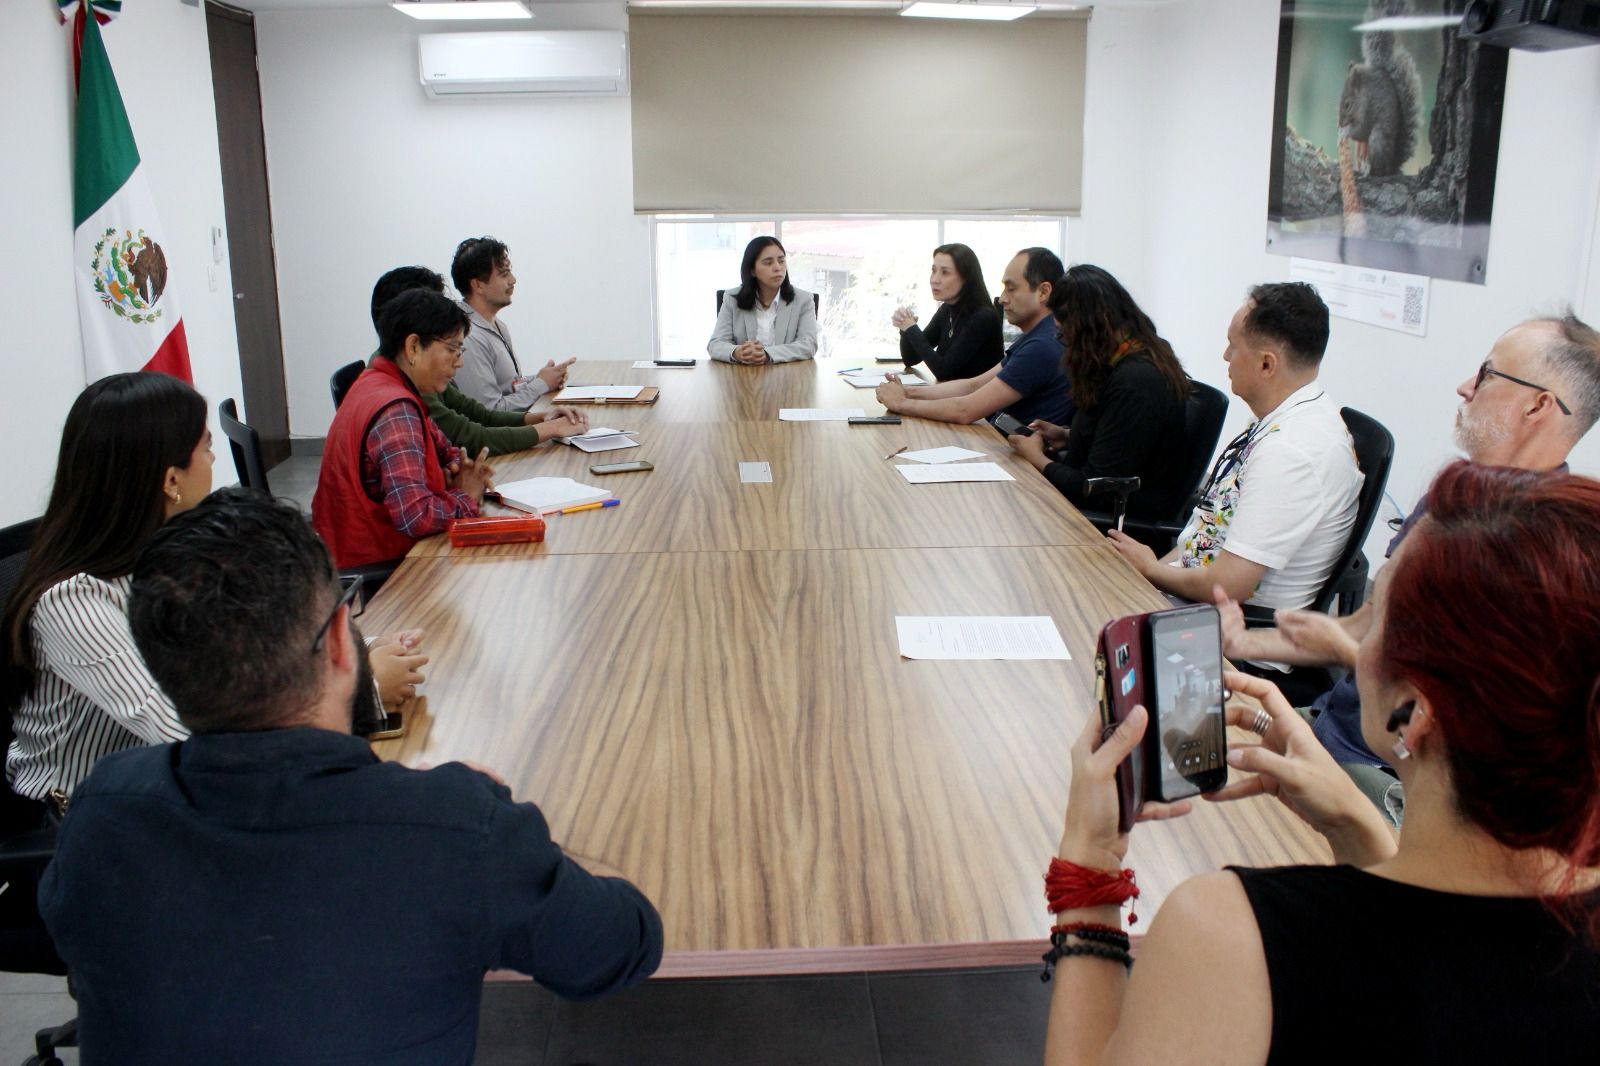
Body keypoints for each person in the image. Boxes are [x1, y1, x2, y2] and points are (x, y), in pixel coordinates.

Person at [40, 489, 663, 1062]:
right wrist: (501, 828)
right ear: (344, 643)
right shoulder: (455, 831)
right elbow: (625, 944)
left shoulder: (101, 810)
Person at [1042, 461, 1600, 1066]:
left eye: (1375, 617)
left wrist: (1091, 867)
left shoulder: (1232, 938)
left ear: (1413, 713)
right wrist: (1356, 827)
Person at [1218, 313, 1600, 817]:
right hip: (1330, 728)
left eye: (1487, 374)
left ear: (1538, 405)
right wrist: (1244, 643)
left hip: (1387, 775)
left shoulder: (1544, 554)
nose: (1466, 386)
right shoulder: (1451, 497)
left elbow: (1454, 718)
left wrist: (1351, 654)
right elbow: (1366, 625)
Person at [2, 375, 428, 811]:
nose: (213, 459)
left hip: (160, 786)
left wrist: (355, 650)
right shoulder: (72, 604)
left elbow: (250, 645)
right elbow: (189, 730)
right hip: (86, 814)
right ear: (171, 480)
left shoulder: (168, 553)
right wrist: (364, 687)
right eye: (206, 448)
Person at [1106, 283, 1361, 610]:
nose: (1225, 356)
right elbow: (1206, 531)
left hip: (1226, 627)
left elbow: (1228, 586)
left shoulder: (1291, 451)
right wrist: (1148, 573)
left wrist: (1150, 569)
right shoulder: (1285, 418)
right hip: (1190, 599)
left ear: (1266, 364)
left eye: (1233, 346)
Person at [312, 289, 493, 570]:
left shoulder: (378, 381)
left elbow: (443, 449)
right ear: (413, 347)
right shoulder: (396, 410)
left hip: (353, 551)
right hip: (382, 569)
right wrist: (466, 496)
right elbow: (415, 517)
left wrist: (458, 467)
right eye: (452, 349)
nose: (459, 361)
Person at [1002, 265, 1192, 519]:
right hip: (1090, 503)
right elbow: (1123, 441)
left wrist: (1036, 458)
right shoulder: (1126, 357)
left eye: (1065, 335)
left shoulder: (1135, 382)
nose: (1066, 345)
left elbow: (1094, 488)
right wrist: (1067, 435)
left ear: (1089, 330)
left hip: (1109, 520)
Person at [368, 266, 588, 454]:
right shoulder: (397, 400)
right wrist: (551, 428)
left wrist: (542, 419)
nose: (459, 361)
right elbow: (468, 437)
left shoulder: (414, 371)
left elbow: (476, 414)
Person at [876, 248, 1072, 428]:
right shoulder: (1036, 336)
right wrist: (907, 392)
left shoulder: (1042, 346)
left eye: (1011, 289)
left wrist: (901, 403)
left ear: (1043, 292)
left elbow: (965, 410)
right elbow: (974, 385)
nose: (1003, 299)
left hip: (1013, 451)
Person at [450, 236, 574, 412]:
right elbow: (489, 411)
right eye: (504, 274)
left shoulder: (497, 325)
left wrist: (541, 378)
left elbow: (507, 387)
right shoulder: (469, 336)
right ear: (478, 285)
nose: (513, 280)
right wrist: (541, 385)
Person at [893, 243, 1003, 381]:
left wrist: (911, 328)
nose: (934, 280)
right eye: (933, 270)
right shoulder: (947, 309)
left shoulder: (982, 317)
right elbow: (910, 359)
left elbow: (944, 371)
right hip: (951, 392)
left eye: (945, 272)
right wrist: (905, 329)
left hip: (979, 395)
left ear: (966, 278)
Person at [708, 236, 818, 364]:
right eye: (768, 263)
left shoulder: (804, 300)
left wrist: (767, 354)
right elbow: (715, 344)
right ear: (752, 270)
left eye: (781, 261)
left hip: (788, 374)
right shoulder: (732, 299)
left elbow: (808, 345)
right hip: (744, 375)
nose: (778, 268)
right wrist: (738, 352)